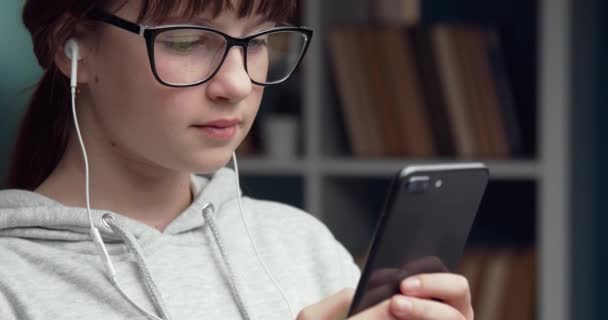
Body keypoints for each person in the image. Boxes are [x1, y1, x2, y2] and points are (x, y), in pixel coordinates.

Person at [0, 0, 474, 319]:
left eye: (258, 41)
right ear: (72, 48)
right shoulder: (14, 281)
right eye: (185, 42)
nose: (239, 85)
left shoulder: (302, 244)